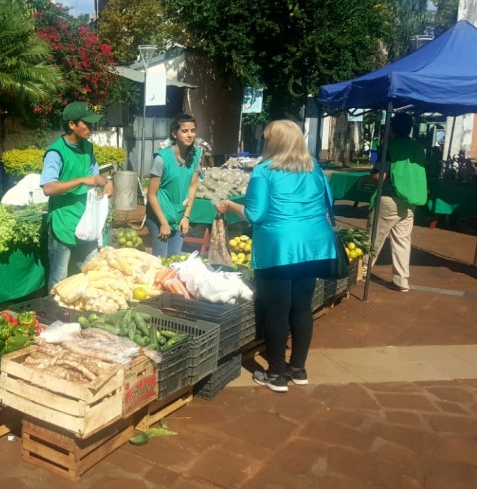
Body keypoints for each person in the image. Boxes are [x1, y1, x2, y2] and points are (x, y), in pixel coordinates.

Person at [215, 120, 337, 393]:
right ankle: (298, 368)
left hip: (279, 248)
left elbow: (254, 214)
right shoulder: (315, 168)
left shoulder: (264, 171)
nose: (263, 142)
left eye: (267, 138)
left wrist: (231, 205)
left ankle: (276, 373)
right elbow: (330, 203)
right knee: (303, 308)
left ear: (275, 142)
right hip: (315, 247)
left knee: (277, 312)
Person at [41, 101, 113, 292]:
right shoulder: (56, 152)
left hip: (86, 223)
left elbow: (95, 177)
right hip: (63, 224)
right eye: (86, 123)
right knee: (59, 282)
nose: (92, 128)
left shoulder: (88, 148)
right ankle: (53, 317)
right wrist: (81, 180)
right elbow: (48, 188)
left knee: (92, 275)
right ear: (72, 124)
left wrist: (106, 183)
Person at [361, 113, 427, 292]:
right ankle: (402, 281)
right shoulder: (418, 149)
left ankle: (363, 272)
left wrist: (364, 180)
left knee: (373, 238)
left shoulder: (388, 147)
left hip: (389, 198)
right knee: (402, 241)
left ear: (392, 128)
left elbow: (380, 176)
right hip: (410, 200)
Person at [146, 114, 202, 257]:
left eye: (193, 131)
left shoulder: (196, 156)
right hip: (159, 217)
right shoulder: (161, 159)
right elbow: (151, 195)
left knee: (175, 260)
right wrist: (163, 223)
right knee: (160, 262)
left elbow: (192, 187)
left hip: (179, 216)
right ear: (174, 133)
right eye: (184, 131)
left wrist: (186, 217)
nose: (190, 135)